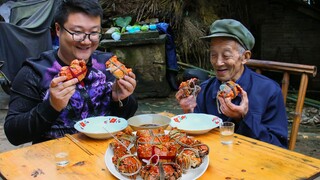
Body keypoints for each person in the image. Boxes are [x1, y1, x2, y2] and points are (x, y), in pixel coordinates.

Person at [4, 0, 138, 145]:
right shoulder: (35, 71)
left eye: (94, 33)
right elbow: (13, 134)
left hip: (105, 154)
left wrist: (121, 99)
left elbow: (123, 117)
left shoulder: (107, 65)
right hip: (56, 160)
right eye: (77, 32)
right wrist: (51, 106)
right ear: (58, 29)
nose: (86, 41)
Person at [176, 19, 288, 148]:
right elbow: (197, 141)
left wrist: (244, 118)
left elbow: (279, 147)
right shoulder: (204, 90)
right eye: (213, 55)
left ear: (245, 57)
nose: (218, 62)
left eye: (226, 55)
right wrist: (189, 111)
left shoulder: (269, 91)